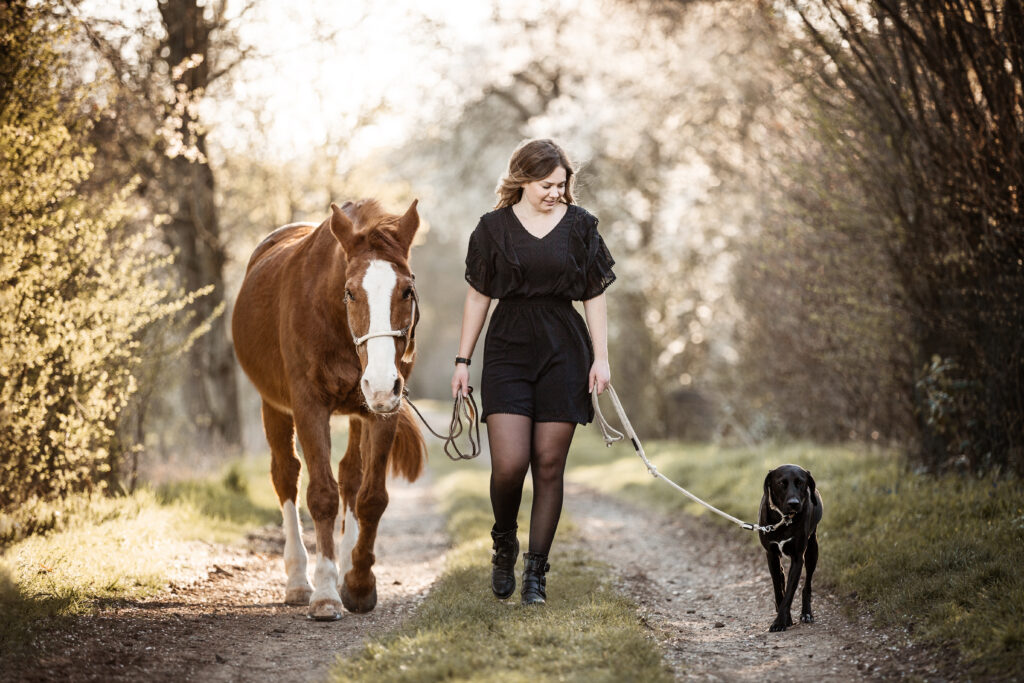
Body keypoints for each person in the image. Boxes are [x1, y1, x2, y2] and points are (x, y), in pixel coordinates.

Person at [450, 138, 616, 605]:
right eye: (547, 185)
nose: (556, 193)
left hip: (564, 348)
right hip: (508, 349)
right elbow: (478, 296)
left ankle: (535, 574)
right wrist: (463, 360)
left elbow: (595, 293)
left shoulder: (581, 227)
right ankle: (504, 542)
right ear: (521, 179)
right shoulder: (492, 229)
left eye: (562, 185)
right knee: (508, 465)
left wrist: (601, 357)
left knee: (548, 464)